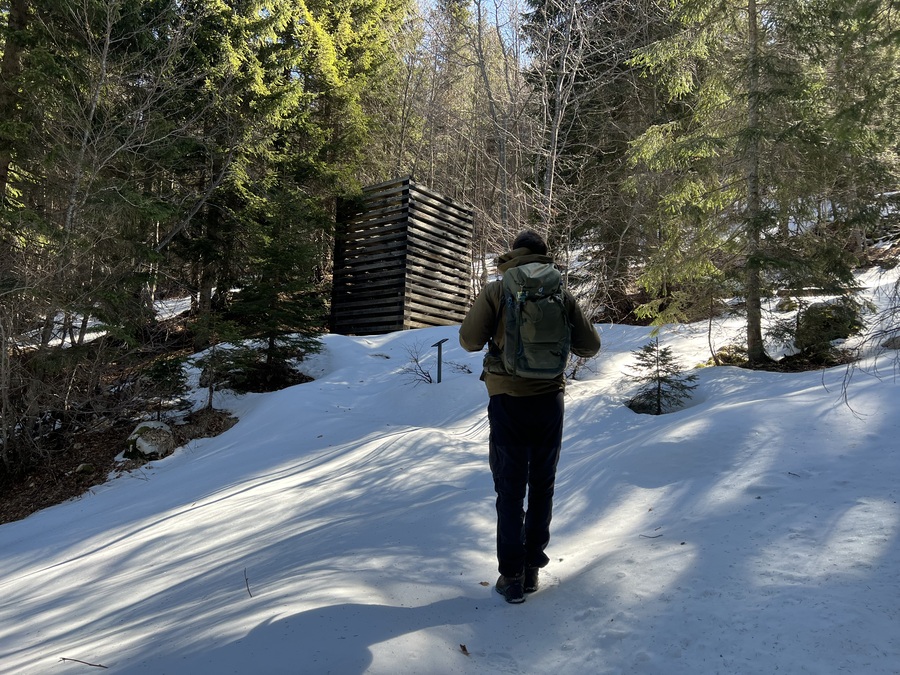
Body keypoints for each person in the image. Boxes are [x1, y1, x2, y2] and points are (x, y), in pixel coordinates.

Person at [459, 230, 601, 604]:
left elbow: (469, 341)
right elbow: (592, 346)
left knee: (510, 487)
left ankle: (511, 576)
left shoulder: (497, 288)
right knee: (542, 484)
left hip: (507, 400)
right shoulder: (559, 291)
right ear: (545, 256)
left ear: (515, 253)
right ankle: (533, 567)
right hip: (550, 401)